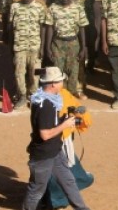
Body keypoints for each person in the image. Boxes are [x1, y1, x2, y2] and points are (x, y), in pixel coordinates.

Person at [21, 67, 91, 210]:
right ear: (53, 84)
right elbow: (45, 134)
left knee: (68, 181)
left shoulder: (45, 98)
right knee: (36, 190)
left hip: (55, 151)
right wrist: (65, 124)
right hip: (44, 155)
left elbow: (51, 123)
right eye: (60, 81)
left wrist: (67, 118)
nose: (62, 83)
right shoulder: (46, 105)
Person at [8, 0, 46, 109]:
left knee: (35, 73)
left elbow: (42, 28)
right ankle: (22, 95)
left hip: (35, 45)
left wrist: (42, 47)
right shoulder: (14, 7)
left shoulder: (39, 7)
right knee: (19, 72)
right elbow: (11, 27)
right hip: (19, 45)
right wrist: (11, 44)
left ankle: (34, 95)